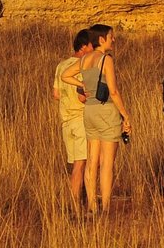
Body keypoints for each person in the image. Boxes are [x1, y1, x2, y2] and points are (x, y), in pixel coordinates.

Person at [78, 23, 132, 216]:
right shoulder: (105, 59)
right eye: (111, 36)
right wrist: (126, 115)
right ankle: (107, 208)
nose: (113, 39)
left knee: (92, 160)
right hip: (106, 110)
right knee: (107, 163)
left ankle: (92, 206)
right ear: (102, 39)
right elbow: (114, 91)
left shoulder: (84, 59)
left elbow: (70, 76)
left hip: (89, 110)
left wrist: (83, 88)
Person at [52, 29, 94, 209]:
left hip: (65, 120)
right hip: (80, 120)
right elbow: (82, 97)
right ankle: (75, 205)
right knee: (81, 164)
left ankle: (76, 200)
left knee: (75, 163)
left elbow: (55, 94)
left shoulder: (61, 66)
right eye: (92, 45)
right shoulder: (82, 66)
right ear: (83, 47)